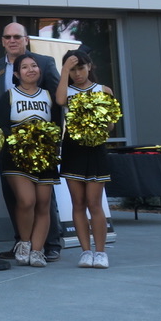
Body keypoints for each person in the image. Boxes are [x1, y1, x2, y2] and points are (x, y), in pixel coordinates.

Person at [0, 22, 63, 261]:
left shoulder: (43, 63)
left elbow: (58, 102)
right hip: (10, 145)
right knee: (17, 198)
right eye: (7, 37)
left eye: (17, 36)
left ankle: (50, 244)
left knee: (44, 199)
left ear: (26, 39)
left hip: (42, 147)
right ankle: (22, 242)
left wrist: (54, 141)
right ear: (2, 41)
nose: (12, 40)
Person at [55, 50, 114, 269]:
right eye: (72, 70)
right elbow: (60, 100)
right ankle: (85, 251)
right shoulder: (67, 91)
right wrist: (63, 71)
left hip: (96, 149)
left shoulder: (103, 90)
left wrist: (99, 124)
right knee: (78, 203)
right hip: (73, 149)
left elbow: (111, 125)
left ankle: (101, 252)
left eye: (80, 68)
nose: (77, 73)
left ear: (89, 66)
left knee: (94, 203)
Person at [0, 53, 60, 267]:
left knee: (44, 204)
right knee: (27, 201)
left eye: (34, 66)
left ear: (40, 71)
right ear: (16, 74)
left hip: (45, 156)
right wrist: (19, 143)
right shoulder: (9, 95)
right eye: (25, 67)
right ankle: (24, 243)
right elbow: (2, 127)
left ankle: (37, 250)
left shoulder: (49, 96)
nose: (31, 69)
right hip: (16, 157)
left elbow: (57, 125)